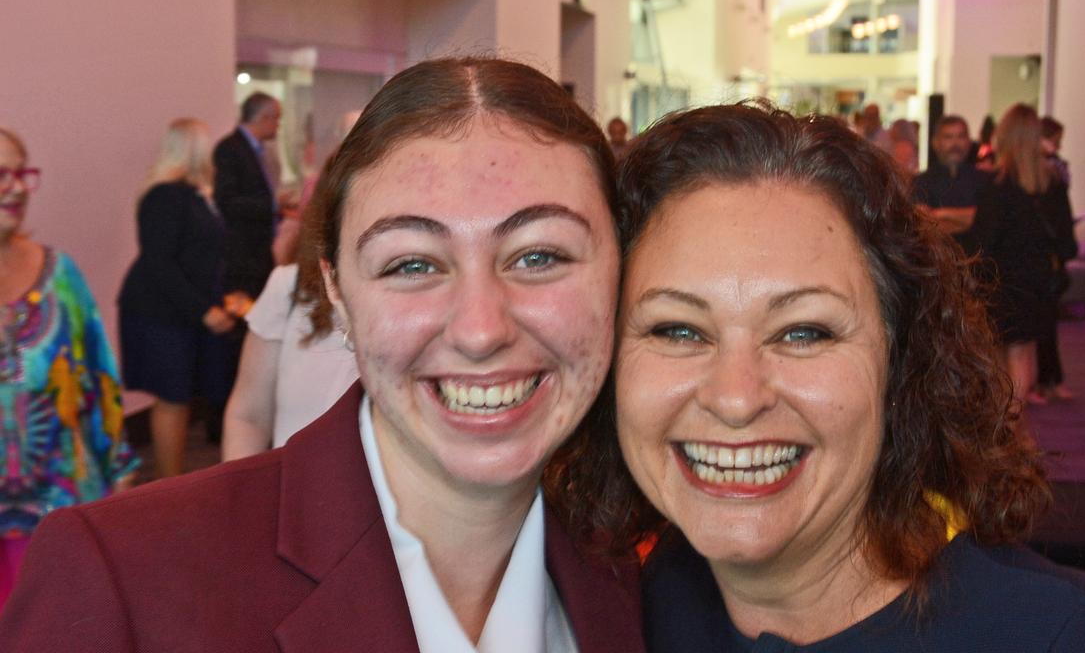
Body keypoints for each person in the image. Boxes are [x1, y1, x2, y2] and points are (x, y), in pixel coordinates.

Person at [0, 58, 643, 652]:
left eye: (540, 256)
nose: (480, 330)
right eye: (412, 263)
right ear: (337, 290)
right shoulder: (123, 580)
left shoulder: (646, 582)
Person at [603, 102, 1085, 651]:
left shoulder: (1076, 640)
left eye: (805, 332)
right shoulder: (630, 603)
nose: (734, 397)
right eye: (676, 330)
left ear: (901, 363)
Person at [0, 126, 138, 607]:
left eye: (22, 173)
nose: (16, 187)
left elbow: (102, 381)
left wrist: (119, 472)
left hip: (59, 515)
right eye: (1, 175)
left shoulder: (60, 274)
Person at [117, 118, 237, 478]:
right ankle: (170, 487)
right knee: (172, 398)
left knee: (181, 396)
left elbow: (198, 256)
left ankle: (176, 481)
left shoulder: (192, 195)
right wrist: (203, 310)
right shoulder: (165, 195)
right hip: (158, 313)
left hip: (180, 310)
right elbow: (160, 263)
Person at [971, 104, 1073, 409]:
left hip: (1003, 282)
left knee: (1005, 358)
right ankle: (1017, 429)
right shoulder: (1053, 184)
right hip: (1039, 283)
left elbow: (983, 242)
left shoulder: (997, 186)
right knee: (1024, 354)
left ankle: (1011, 430)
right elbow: (1069, 245)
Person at [220, 260, 357, 458]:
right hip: (294, 481)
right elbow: (249, 416)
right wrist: (239, 486)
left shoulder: (408, 301)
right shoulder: (290, 284)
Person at [215, 92, 282, 299]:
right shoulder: (230, 148)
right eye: (277, 118)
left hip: (259, 253)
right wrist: (271, 204)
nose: (278, 125)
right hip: (242, 257)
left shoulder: (260, 150)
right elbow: (227, 201)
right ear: (264, 117)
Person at [1032, 115, 1079, 404]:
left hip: (1051, 258)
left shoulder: (1055, 171)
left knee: (1047, 323)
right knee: (1038, 327)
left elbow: (1061, 217)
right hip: (1038, 257)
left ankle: (1051, 379)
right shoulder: (1031, 175)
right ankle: (1041, 381)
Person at [914, 114, 986, 254]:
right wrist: (968, 220)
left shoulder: (984, 181)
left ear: (969, 142)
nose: (955, 144)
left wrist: (940, 213)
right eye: (948, 137)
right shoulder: (922, 181)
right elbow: (924, 224)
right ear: (935, 142)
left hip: (979, 260)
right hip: (936, 259)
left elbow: (985, 220)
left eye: (961, 136)